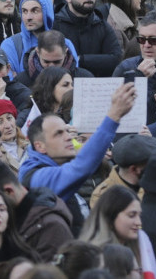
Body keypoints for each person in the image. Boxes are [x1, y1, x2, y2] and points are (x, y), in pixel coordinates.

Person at [19, 83, 136, 225]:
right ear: (40, 146)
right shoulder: (34, 177)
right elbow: (80, 168)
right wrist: (113, 116)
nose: (68, 137)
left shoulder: (57, 163)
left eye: (67, 131)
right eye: (58, 134)